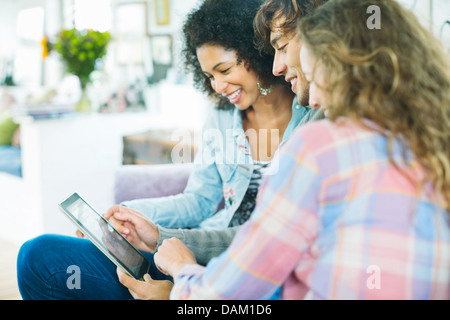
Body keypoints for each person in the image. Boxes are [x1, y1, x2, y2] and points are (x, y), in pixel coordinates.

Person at [122, 0, 450, 299]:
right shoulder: (430, 144)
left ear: (328, 51)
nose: (279, 65)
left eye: (284, 47)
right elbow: (203, 202)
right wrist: (138, 218)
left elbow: (222, 295)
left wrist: (180, 276)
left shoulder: (317, 142)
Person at [17, 0, 317, 300]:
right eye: (210, 76)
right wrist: (131, 214)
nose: (217, 86)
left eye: (224, 70)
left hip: (220, 267)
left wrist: (167, 244)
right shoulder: (222, 117)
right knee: (39, 255)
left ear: (257, 53)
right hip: (189, 252)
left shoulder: (312, 113)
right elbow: (199, 200)